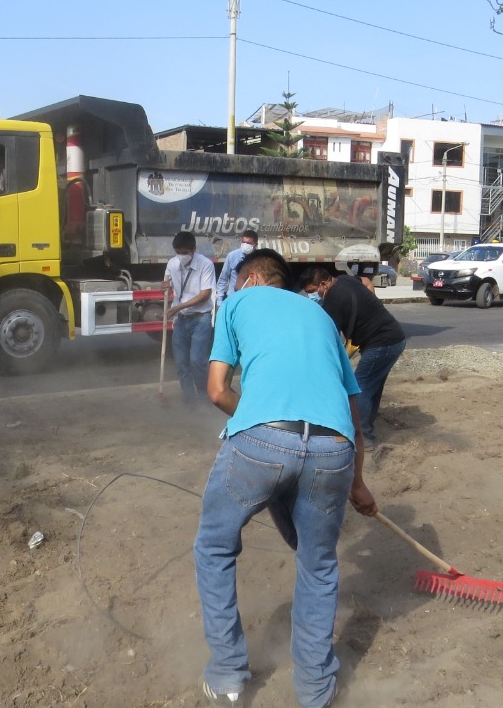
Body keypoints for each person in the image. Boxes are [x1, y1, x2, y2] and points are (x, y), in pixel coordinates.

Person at [196, 248, 377, 708]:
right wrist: (357, 483)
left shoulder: (237, 302)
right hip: (334, 448)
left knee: (215, 546)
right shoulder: (319, 316)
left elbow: (217, 391)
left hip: (262, 443)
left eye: (236, 283)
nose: (233, 291)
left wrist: (255, 417)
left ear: (252, 280)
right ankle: (316, 691)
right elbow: (353, 413)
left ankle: (228, 677)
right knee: (318, 564)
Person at [303, 267, 407, 450]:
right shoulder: (344, 280)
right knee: (372, 387)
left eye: (312, 291)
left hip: (382, 342)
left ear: (323, 284)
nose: (312, 296)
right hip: (394, 338)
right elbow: (366, 282)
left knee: (360, 388)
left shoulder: (334, 299)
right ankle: (366, 429)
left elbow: (327, 337)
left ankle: (362, 438)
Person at [162, 231, 216, 405]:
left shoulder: (205, 265)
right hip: (181, 320)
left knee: (197, 361)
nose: (181, 256)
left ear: (193, 249)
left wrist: (178, 307)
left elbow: (205, 294)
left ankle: (206, 400)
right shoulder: (172, 263)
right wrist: (164, 286)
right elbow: (167, 285)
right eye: (178, 252)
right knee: (181, 364)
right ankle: (190, 402)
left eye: (184, 253)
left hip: (201, 319)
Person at [214, 229, 259, 306]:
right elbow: (223, 279)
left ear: (255, 244)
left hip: (251, 301)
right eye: (243, 242)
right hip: (233, 300)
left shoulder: (260, 258)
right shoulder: (232, 256)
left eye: (248, 243)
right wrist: (219, 301)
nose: (245, 245)